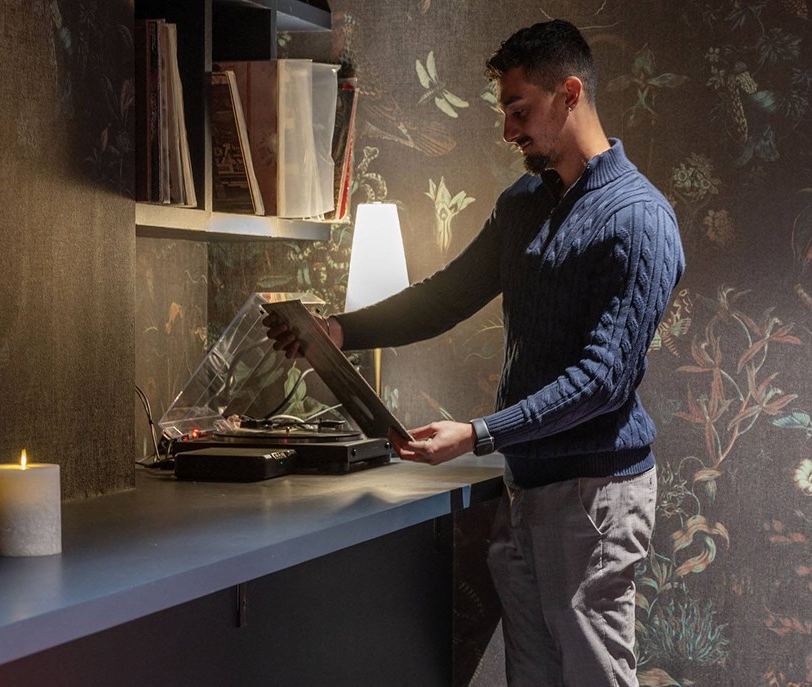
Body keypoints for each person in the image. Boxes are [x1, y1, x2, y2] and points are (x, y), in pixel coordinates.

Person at [265, 18, 684, 687]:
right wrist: (339, 330)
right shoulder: (523, 204)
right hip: (528, 486)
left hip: (596, 497)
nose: (509, 130)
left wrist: (479, 434)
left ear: (570, 94)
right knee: (533, 676)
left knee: (595, 676)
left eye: (520, 110)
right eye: (505, 113)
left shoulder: (638, 219)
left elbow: (603, 380)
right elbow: (447, 296)